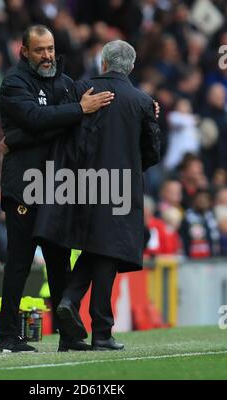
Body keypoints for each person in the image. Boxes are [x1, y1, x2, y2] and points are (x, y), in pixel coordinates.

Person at [0, 24, 115, 353]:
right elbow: (34, 118)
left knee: (59, 263)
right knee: (19, 263)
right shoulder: (14, 83)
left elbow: (89, 105)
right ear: (24, 51)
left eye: (50, 49)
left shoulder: (65, 83)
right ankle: (6, 336)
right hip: (23, 187)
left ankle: (70, 337)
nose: (47, 56)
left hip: (57, 188)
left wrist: (146, 106)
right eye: (39, 50)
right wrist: (74, 113)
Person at [33, 40, 161, 350]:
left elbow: (59, 126)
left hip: (79, 183)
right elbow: (153, 152)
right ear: (130, 67)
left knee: (97, 247)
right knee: (108, 252)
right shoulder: (142, 101)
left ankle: (69, 300)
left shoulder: (80, 89)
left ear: (103, 62)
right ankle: (101, 331)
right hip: (120, 186)